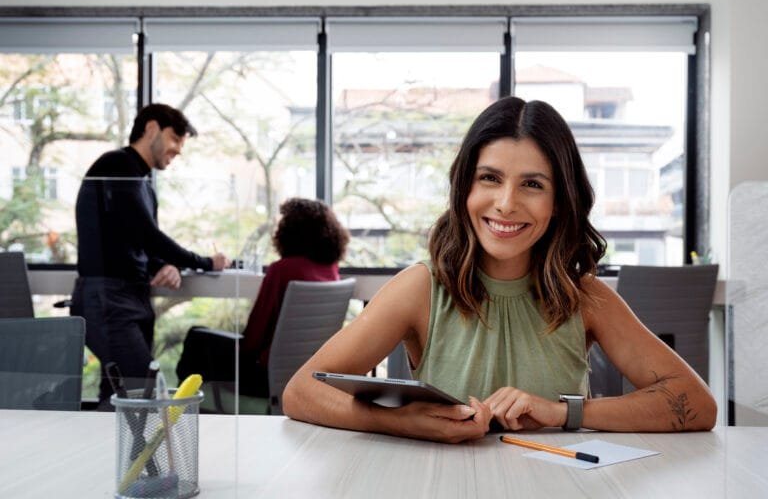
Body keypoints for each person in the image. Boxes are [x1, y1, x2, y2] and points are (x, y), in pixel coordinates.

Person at [282, 96, 717, 443]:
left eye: (532, 184)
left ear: (558, 202)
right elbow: (301, 392)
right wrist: (401, 422)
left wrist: (561, 412)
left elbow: (698, 404)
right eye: (489, 178)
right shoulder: (421, 287)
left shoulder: (584, 296)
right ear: (465, 188)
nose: (507, 203)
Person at [70, 103, 230, 406]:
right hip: (108, 300)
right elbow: (148, 235)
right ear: (152, 128)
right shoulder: (116, 166)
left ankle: (109, 439)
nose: (179, 149)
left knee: (119, 393)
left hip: (132, 298)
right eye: (175, 138)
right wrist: (205, 262)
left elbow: (138, 242)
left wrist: (166, 265)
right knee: (142, 389)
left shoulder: (143, 185)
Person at [176, 197, 350, 397]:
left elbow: (253, 338)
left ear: (291, 231)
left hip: (263, 374)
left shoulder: (282, 270)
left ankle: (180, 407)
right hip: (307, 373)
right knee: (203, 339)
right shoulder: (331, 270)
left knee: (196, 338)